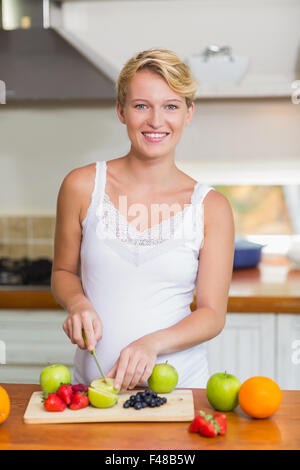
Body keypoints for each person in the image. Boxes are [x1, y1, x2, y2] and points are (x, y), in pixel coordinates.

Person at [51, 48, 235, 391]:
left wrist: (152, 344)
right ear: (121, 111)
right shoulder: (81, 186)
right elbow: (63, 273)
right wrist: (78, 303)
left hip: (178, 391)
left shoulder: (212, 207)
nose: (155, 121)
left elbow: (212, 313)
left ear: (188, 113)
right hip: (94, 395)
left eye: (171, 106)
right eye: (141, 106)